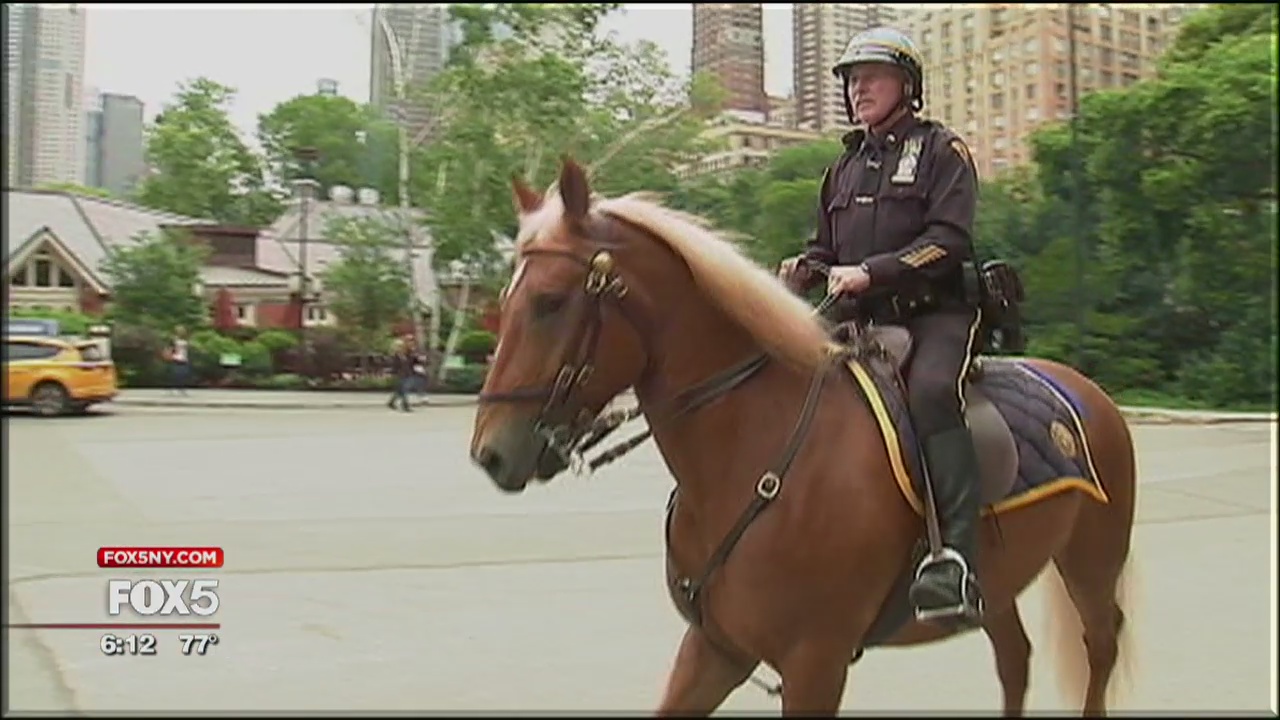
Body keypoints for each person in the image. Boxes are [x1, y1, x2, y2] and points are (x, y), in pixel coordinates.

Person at [778, 27, 986, 625]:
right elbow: (824, 247)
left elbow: (949, 241)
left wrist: (872, 272)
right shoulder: (842, 167)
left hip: (935, 316)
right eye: (850, 78)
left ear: (908, 86)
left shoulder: (943, 151)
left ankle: (955, 560)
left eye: (871, 75)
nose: (857, 87)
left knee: (930, 395)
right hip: (857, 321)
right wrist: (802, 270)